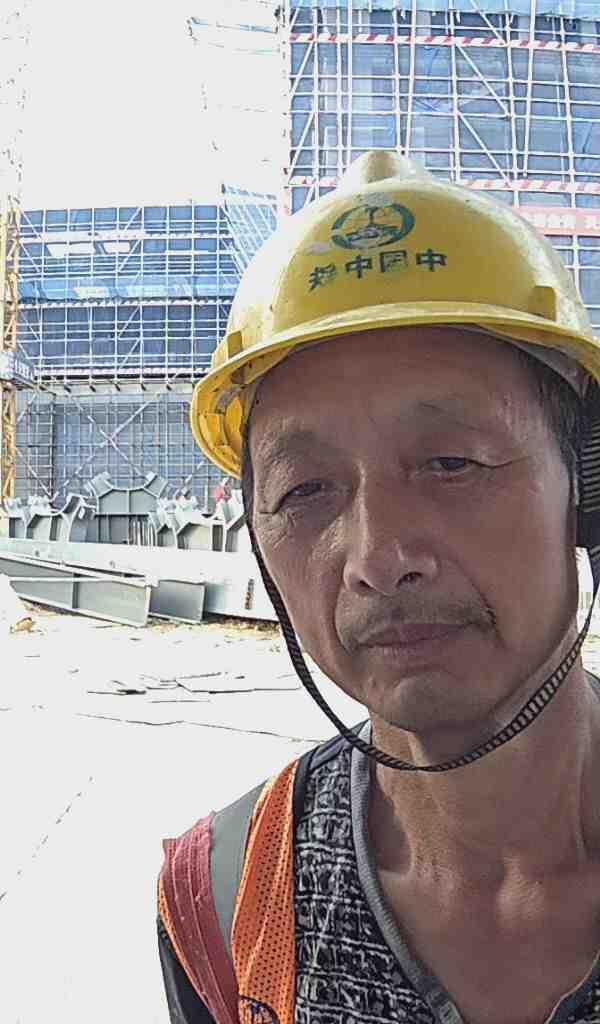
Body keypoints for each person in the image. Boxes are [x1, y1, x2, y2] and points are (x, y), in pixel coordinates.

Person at [157, 150, 600, 1024]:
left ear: (584, 486)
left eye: (451, 462)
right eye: (305, 491)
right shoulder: (223, 896)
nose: (378, 556)